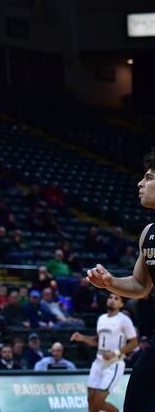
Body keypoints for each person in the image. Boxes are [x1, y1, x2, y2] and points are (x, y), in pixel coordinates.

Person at [86, 151, 155, 412]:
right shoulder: (149, 234)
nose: (140, 183)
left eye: (148, 178)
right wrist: (110, 282)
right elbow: (140, 285)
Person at [70, 293, 138, 412]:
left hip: (114, 363)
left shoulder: (124, 320)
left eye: (116, 298)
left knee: (98, 402)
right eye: (110, 297)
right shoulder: (101, 318)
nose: (112, 300)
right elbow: (97, 341)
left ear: (121, 304)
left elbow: (134, 343)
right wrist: (82, 338)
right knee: (90, 400)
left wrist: (115, 353)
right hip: (98, 362)